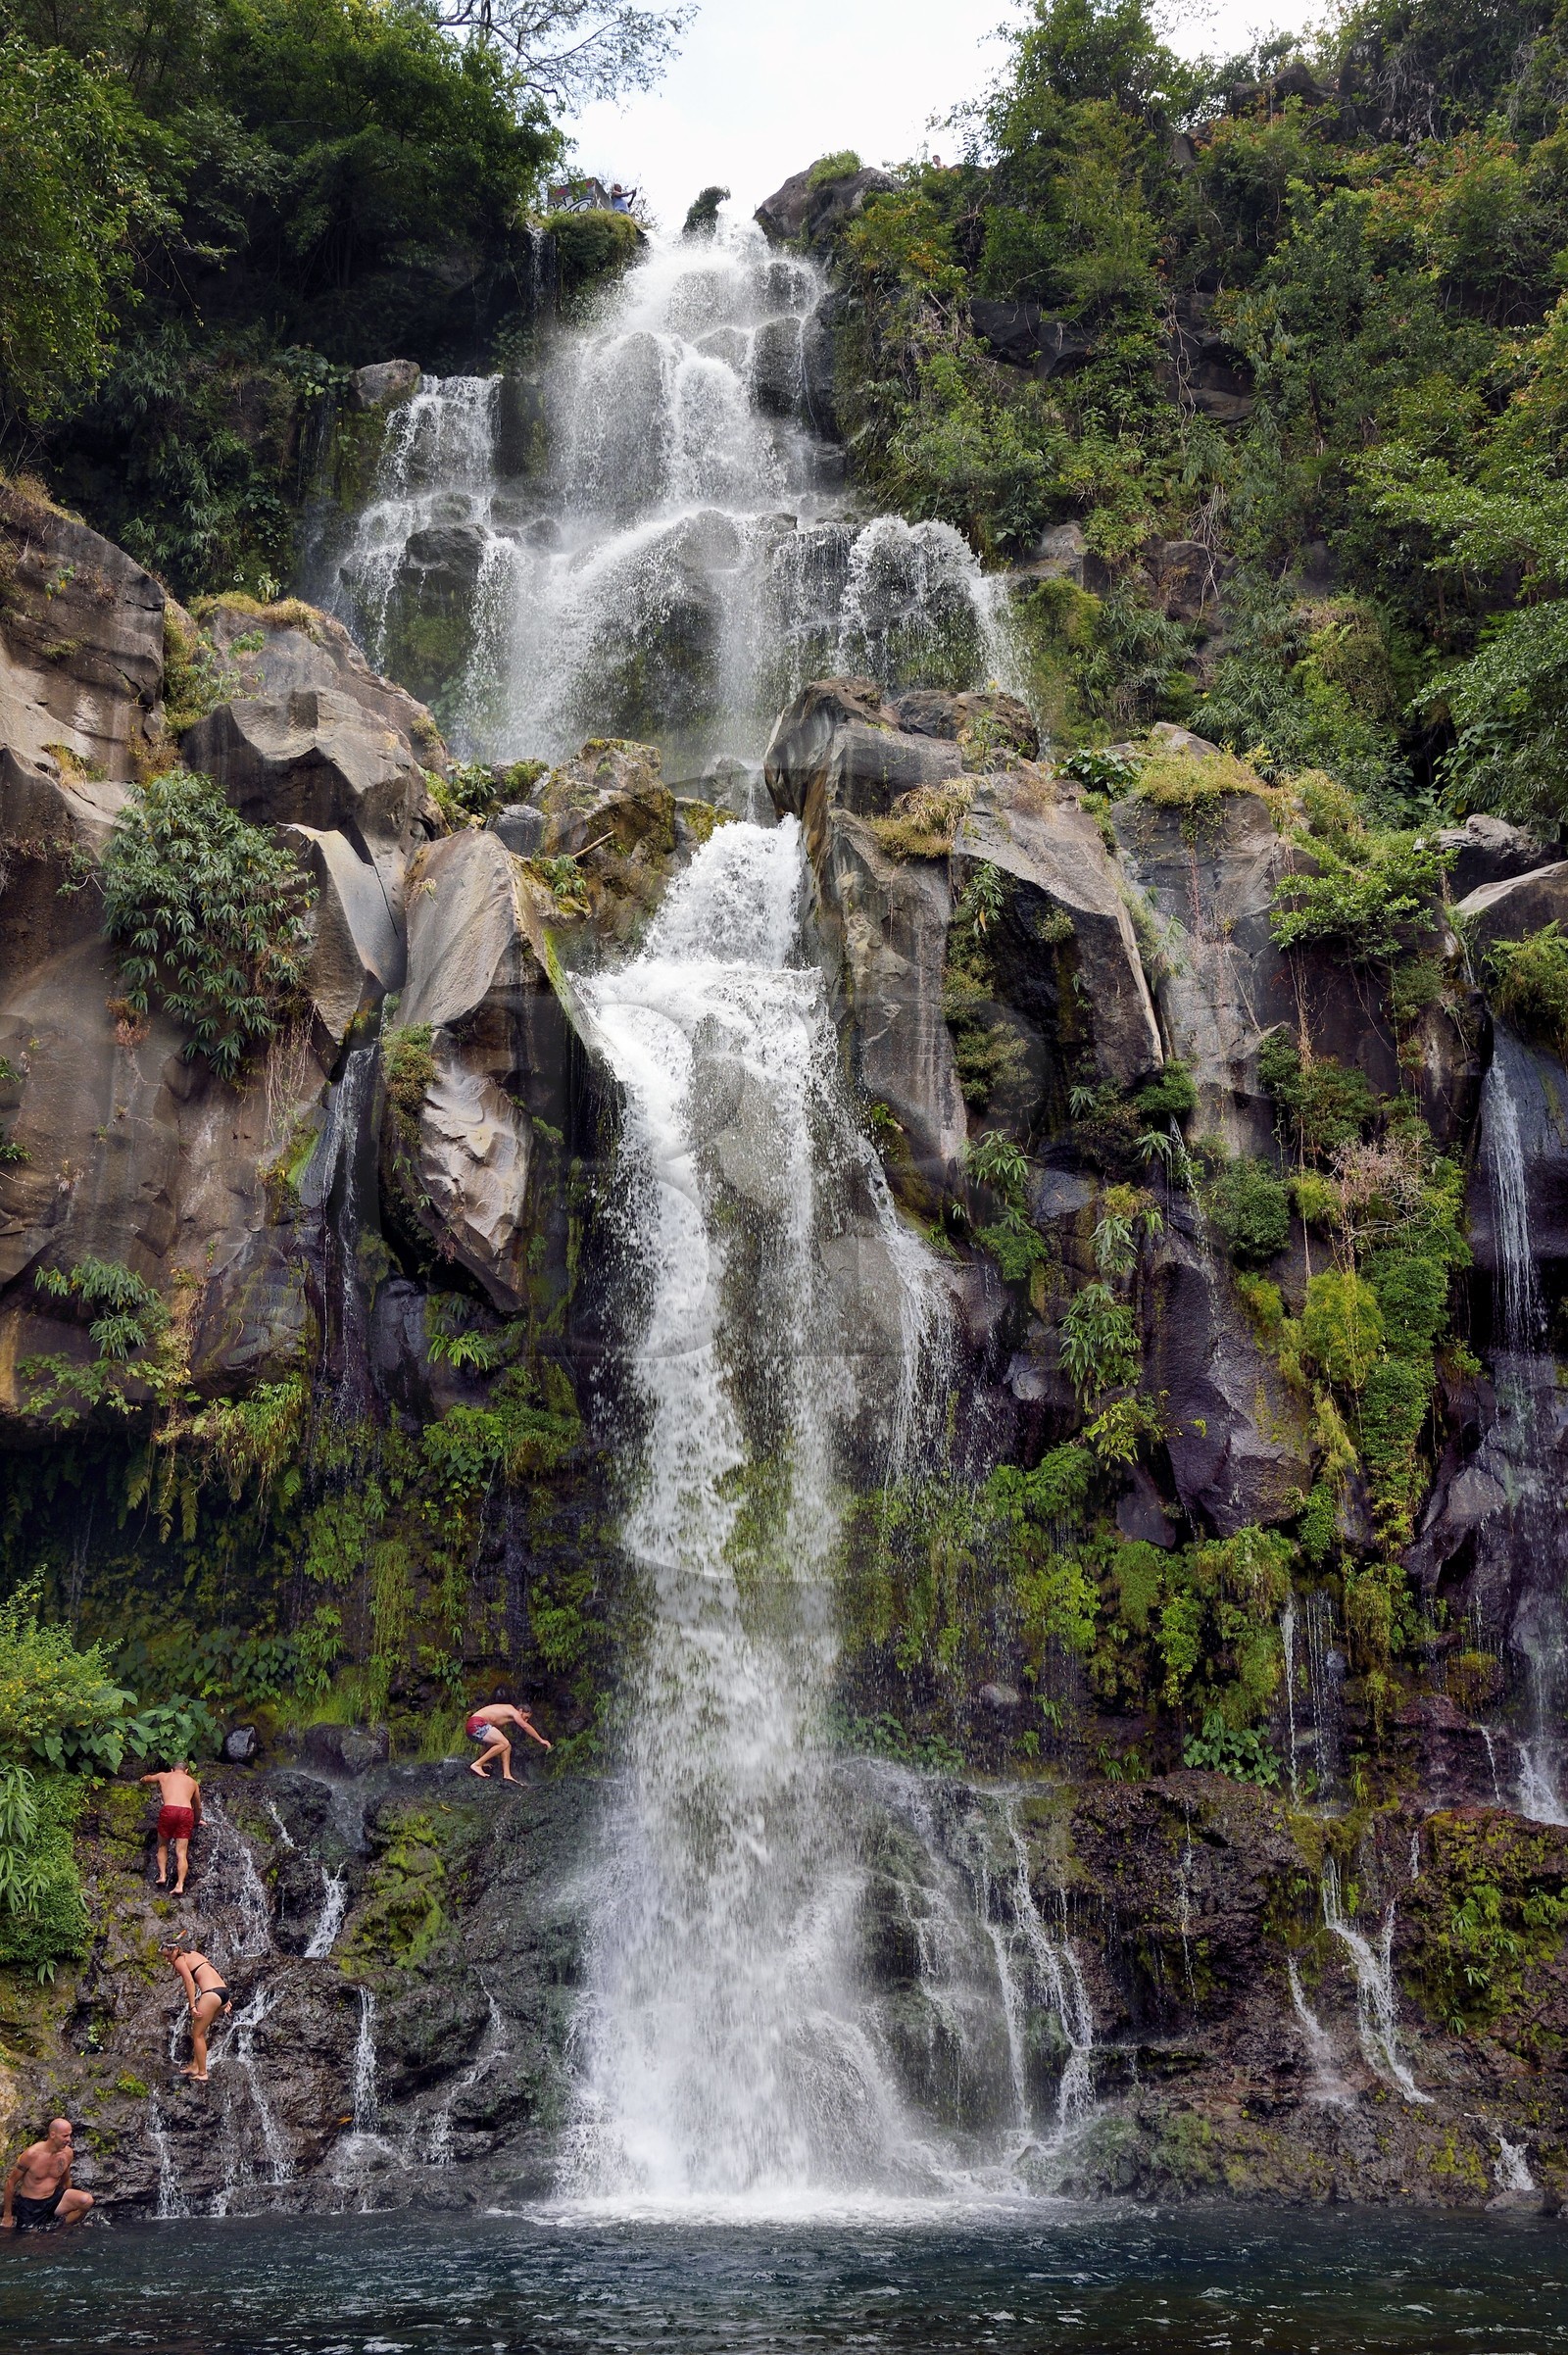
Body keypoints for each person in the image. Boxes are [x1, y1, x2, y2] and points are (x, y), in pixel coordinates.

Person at [1, 2118, 92, 2233]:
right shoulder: (31, 2154)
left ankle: (63, 2229)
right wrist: (7, 2215)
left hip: (53, 2199)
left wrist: (68, 2204)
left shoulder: (67, 2153)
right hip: (31, 2206)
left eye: (70, 2135)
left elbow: (66, 2179)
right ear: (53, 2135)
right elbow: (10, 2183)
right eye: (65, 2136)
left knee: (86, 2200)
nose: (69, 2140)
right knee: (31, 2241)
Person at [163, 1941, 231, 2082]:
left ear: (175, 1950)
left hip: (211, 1994)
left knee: (198, 2034)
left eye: (168, 1956)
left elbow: (189, 1981)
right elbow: (212, 1971)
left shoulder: (180, 1961)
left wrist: (192, 2005)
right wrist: (226, 1999)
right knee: (200, 2031)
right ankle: (195, 2065)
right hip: (223, 1992)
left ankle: (202, 2073)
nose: (167, 1960)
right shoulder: (194, 1954)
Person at [140, 1760, 202, 1894]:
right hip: (186, 1812)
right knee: (181, 1852)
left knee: (162, 1846)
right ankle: (180, 1885)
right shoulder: (192, 1782)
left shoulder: (164, 1776)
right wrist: (196, 1821)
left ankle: (162, 1875)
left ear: (172, 1770)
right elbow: (197, 1807)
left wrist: (142, 1780)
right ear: (186, 1771)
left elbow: (148, 1778)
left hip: (169, 1810)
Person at [465, 1699, 551, 1782]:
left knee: (507, 1746)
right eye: (526, 1717)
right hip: (476, 1724)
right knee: (504, 1743)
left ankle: (507, 1775)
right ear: (520, 1711)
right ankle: (477, 1764)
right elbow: (525, 1726)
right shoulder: (513, 1711)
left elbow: (487, 1743)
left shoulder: (503, 1716)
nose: (526, 1720)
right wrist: (541, 1740)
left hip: (473, 1728)